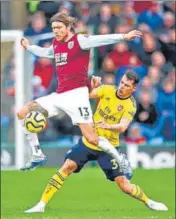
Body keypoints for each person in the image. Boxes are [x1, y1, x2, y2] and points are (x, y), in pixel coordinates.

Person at [24, 71, 168, 213]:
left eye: (126, 85)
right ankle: (41, 204)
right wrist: (92, 87)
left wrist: (108, 126)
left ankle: (149, 201)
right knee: (67, 167)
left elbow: (123, 126)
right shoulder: (107, 89)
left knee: (124, 186)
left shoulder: (130, 105)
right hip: (89, 140)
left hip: (108, 147)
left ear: (134, 88)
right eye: (122, 82)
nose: (122, 86)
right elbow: (85, 97)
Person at [18, 12, 142, 170]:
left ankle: (120, 159)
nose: (56, 31)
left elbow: (100, 39)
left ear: (68, 27)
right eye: (53, 28)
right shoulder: (57, 43)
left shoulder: (80, 40)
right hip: (59, 95)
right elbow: (47, 53)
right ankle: (37, 154)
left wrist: (123, 37)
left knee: (92, 138)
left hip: (78, 96)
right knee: (22, 112)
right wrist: (29, 47)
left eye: (59, 27)